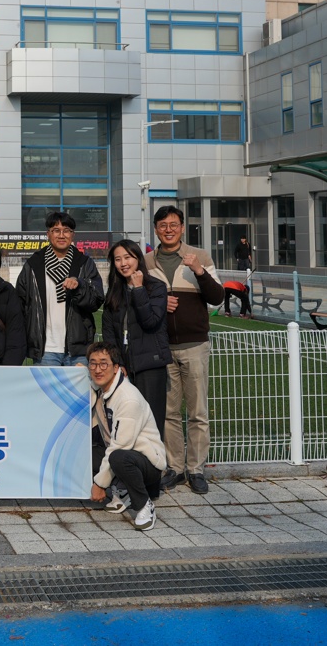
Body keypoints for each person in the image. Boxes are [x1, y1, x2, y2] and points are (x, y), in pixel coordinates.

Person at [148, 205, 224, 496]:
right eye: (163, 225)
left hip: (194, 346)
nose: (169, 229)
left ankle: (196, 469)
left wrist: (198, 271)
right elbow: (141, 301)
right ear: (156, 229)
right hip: (162, 347)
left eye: (174, 224)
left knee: (197, 412)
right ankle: (175, 468)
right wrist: (160, 304)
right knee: (169, 413)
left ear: (182, 227)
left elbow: (217, 297)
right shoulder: (146, 261)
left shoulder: (200, 256)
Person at [88, 341, 164, 532]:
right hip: (125, 453)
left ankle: (144, 505)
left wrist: (99, 484)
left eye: (104, 363)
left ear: (116, 368)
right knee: (85, 453)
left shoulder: (128, 398)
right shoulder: (102, 388)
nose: (98, 369)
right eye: (93, 363)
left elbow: (121, 445)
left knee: (118, 457)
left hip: (148, 462)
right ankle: (122, 491)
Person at [102, 238, 171, 443]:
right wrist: (117, 363)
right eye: (117, 259)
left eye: (128, 257)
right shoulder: (114, 291)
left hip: (150, 366)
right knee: (125, 421)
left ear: (138, 259)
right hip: (124, 369)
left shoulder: (156, 288)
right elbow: (109, 331)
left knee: (150, 423)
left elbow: (151, 321)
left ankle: (153, 470)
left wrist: (139, 289)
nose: (123, 263)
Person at [15, 211, 103, 366]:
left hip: (78, 350)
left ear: (73, 235)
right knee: (45, 391)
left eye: (67, 230)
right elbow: (21, 305)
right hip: (45, 350)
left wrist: (79, 287)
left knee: (79, 391)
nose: (62, 235)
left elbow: (96, 301)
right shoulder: (33, 265)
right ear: (48, 234)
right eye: (56, 230)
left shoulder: (84, 263)